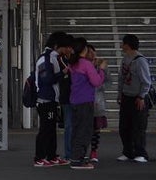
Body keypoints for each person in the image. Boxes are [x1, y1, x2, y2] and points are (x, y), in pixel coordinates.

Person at [68, 38, 106, 169]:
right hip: (85, 101)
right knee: (85, 131)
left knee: (77, 130)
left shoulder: (73, 63)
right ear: (84, 49)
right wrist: (101, 70)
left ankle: (75, 157)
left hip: (75, 100)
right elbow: (96, 82)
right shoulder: (85, 63)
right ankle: (78, 161)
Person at [33, 31, 69, 167]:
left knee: (51, 129)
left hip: (52, 99)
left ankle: (51, 156)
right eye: (64, 47)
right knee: (45, 129)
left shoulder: (53, 57)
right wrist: (62, 73)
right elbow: (47, 79)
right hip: (45, 100)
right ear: (56, 45)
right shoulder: (45, 59)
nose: (65, 50)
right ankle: (39, 157)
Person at [117, 34, 152, 162]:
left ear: (127, 45)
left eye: (123, 43)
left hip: (138, 98)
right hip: (126, 96)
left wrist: (141, 96)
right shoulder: (125, 58)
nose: (121, 45)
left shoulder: (140, 60)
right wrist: (120, 93)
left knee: (138, 126)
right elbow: (121, 78)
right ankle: (127, 152)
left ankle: (141, 153)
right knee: (124, 126)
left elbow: (146, 81)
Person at [87, 44, 111, 162]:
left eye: (93, 52)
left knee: (96, 129)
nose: (92, 54)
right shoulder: (84, 65)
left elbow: (108, 81)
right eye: (89, 52)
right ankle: (83, 151)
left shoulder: (101, 65)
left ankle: (94, 151)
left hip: (98, 100)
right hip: (85, 100)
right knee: (85, 128)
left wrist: (100, 85)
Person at [56, 34, 75, 160]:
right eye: (67, 47)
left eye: (70, 47)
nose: (69, 49)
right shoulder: (59, 60)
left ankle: (75, 152)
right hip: (66, 96)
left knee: (74, 125)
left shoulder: (74, 60)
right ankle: (69, 154)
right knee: (69, 125)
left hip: (76, 96)